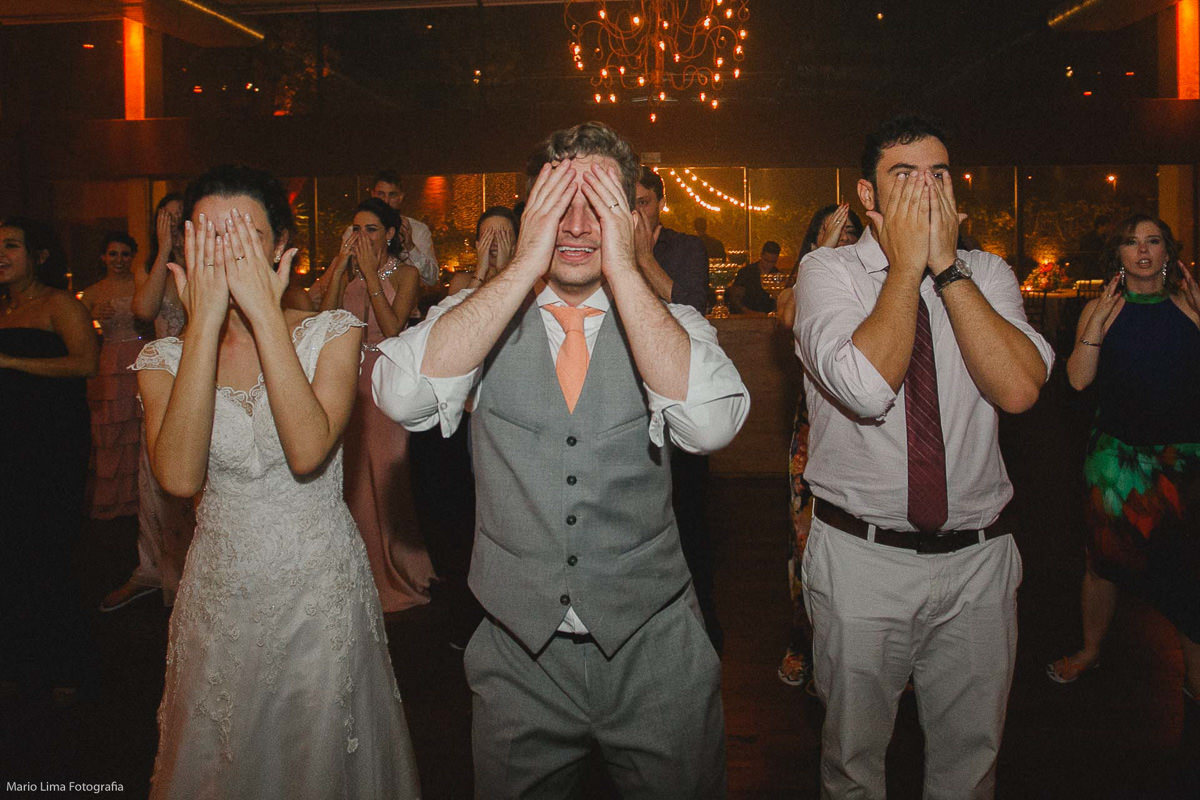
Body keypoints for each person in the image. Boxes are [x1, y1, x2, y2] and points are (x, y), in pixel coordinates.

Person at [373, 121, 748, 798]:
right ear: (529, 213)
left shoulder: (673, 325)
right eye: (557, 203)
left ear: (633, 217)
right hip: (518, 660)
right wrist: (523, 263)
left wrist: (625, 267)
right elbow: (402, 395)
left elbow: (712, 424)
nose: (576, 225)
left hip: (655, 650)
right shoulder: (479, 316)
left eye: (598, 204)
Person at [134, 165, 418, 798]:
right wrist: (202, 324)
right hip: (221, 588)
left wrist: (265, 316)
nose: (227, 253)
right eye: (209, 236)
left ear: (280, 248)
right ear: (185, 248)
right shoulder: (163, 359)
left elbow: (307, 449)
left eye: (245, 235)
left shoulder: (331, 334)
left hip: (317, 584)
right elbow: (178, 477)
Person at [793, 114, 1053, 798]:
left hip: (978, 560)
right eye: (903, 177)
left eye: (938, 174)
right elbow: (864, 385)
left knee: (971, 767)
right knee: (853, 765)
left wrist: (945, 267)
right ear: (866, 199)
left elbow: (1021, 388)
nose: (925, 190)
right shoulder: (829, 273)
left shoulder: (988, 272)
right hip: (862, 561)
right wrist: (907, 267)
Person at [1049, 214, 1200, 707]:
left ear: (1167, 254)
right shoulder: (1101, 309)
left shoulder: (1189, 306)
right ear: (1118, 254)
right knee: (1103, 561)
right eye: (1132, 242)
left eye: (1153, 241)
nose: (1142, 250)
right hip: (1115, 462)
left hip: (1180, 461)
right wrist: (1093, 325)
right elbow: (1076, 380)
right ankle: (1092, 649)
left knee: (1190, 568)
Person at [308, 197, 433, 613]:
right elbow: (322, 323)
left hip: (386, 377)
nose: (362, 237)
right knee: (352, 476)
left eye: (372, 230)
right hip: (346, 378)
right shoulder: (344, 274)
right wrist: (341, 272)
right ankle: (359, 570)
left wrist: (373, 279)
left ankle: (402, 567)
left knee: (387, 473)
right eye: (356, 229)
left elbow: (395, 325)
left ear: (392, 233)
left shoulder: (408, 273)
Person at [0, 217, 98, 705]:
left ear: (36, 254)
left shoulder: (59, 304)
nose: (1, 253)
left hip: (52, 445)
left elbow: (86, 363)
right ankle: (17, 661)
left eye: (11, 245)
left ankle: (67, 665)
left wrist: (11, 362)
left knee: (51, 552)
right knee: (10, 555)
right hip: (8, 446)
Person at [633, 165, 722, 650]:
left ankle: (702, 626)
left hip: (681, 398)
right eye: (628, 204)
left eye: (643, 202)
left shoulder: (685, 248)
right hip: (628, 403)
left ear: (659, 204)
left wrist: (643, 257)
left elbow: (694, 307)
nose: (635, 212)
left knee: (688, 517)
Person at [774, 203, 861, 691]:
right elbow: (786, 320)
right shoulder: (806, 280)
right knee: (807, 542)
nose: (845, 238)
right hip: (815, 434)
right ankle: (804, 642)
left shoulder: (880, 281)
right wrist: (821, 256)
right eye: (834, 232)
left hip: (873, 431)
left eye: (852, 232)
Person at [104, 196, 196, 612]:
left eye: (180, 217)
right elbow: (143, 308)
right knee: (152, 475)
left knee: (190, 475)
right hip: (160, 377)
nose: (174, 224)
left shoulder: (202, 261)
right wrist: (162, 251)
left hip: (196, 372)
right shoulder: (150, 264)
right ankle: (154, 568)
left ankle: (194, 572)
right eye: (166, 218)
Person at [82, 232, 144, 519]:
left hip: (139, 354)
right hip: (109, 359)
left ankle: (140, 495)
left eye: (125, 254)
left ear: (132, 257)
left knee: (139, 426)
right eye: (113, 254)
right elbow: (79, 334)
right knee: (112, 429)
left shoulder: (141, 285)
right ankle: (112, 499)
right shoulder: (92, 291)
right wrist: (93, 315)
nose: (119, 260)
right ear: (103, 257)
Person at [371, 169, 440, 287]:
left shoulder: (418, 230)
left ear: (401, 197)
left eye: (392, 195)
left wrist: (410, 247)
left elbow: (432, 278)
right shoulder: (355, 230)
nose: (386, 201)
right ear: (373, 195)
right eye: (381, 194)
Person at [446, 206, 517, 296]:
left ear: (516, 245)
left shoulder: (527, 281)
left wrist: (502, 270)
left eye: (502, 236)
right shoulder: (461, 282)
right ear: (478, 245)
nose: (494, 242)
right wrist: (480, 271)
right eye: (488, 236)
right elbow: (463, 310)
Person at [730, 240, 782, 313]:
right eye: (766, 261)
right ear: (761, 255)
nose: (769, 265)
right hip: (747, 316)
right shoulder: (746, 272)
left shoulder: (776, 274)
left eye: (773, 262)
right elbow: (735, 299)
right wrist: (748, 312)